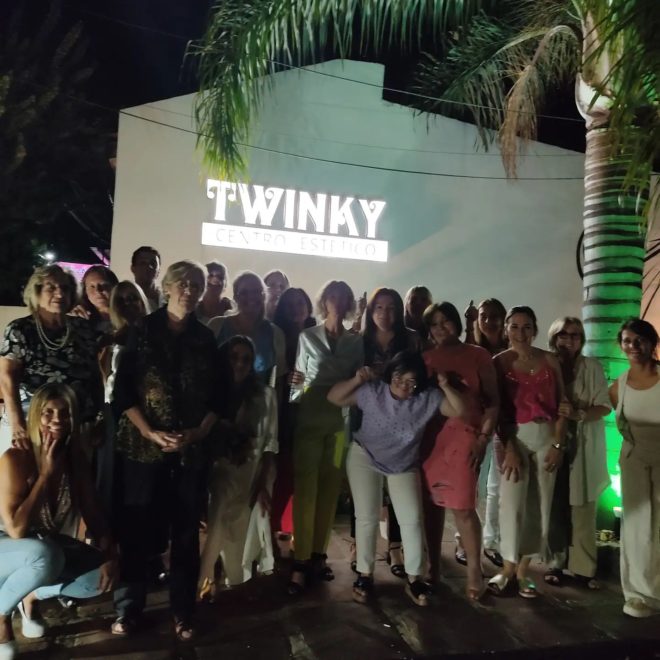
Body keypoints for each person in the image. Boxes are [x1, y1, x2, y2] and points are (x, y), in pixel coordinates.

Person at [111, 260, 221, 641]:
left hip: (190, 452)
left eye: (196, 285)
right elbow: (123, 391)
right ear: (169, 287)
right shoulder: (141, 330)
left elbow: (219, 395)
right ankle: (129, 608)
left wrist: (198, 432)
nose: (190, 291)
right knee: (137, 530)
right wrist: (150, 431)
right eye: (183, 284)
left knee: (186, 534)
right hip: (143, 449)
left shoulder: (205, 338)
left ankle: (183, 612)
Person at [328, 351, 466, 607]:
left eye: (411, 382)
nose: (403, 386)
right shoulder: (374, 392)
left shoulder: (427, 399)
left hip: (403, 463)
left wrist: (445, 385)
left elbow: (459, 409)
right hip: (365, 456)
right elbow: (334, 397)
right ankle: (365, 575)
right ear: (390, 375)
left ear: (419, 383)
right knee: (366, 517)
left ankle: (415, 578)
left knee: (411, 519)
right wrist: (357, 379)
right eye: (399, 379)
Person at [0, 383, 118, 660]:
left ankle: (29, 595)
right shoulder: (15, 458)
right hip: (7, 549)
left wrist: (110, 554)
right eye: (48, 412)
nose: (57, 420)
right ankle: (2, 615)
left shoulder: (75, 459)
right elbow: (16, 529)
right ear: (35, 416)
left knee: (97, 579)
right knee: (45, 555)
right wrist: (45, 475)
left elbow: (93, 513)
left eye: (65, 413)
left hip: (42, 548)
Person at [288, 280, 363, 594]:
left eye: (344, 296)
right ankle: (300, 559)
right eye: (333, 296)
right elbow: (298, 380)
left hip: (339, 418)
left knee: (330, 487)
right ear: (324, 301)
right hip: (310, 413)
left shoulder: (356, 342)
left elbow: (360, 383)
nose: (338, 301)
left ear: (349, 303)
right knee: (306, 488)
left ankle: (319, 555)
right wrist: (294, 397)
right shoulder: (307, 336)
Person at [421, 302, 499, 600]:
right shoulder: (426, 358)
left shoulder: (478, 355)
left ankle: (475, 571)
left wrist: (483, 438)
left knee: (463, 506)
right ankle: (432, 567)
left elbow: (492, 402)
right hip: (431, 438)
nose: (441, 328)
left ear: (456, 322)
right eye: (434, 324)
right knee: (431, 505)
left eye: (446, 321)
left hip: (466, 436)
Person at [487, 306, 567, 599]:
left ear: (535, 329)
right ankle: (506, 568)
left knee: (540, 505)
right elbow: (495, 409)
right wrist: (508, 445)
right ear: (506, 329)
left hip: (547, 435)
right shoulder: (499, 363)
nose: (521, 333)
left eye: (527, 326)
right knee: (511, 504)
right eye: (515, 326)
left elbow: (563, 405)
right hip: (515, 436)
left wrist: (558, 444)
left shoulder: (550, 360)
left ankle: (523, 571)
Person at [199, 336, 278, 596]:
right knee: (218, 518)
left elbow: (270, 443)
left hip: (250, 472)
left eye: (246, 359)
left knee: (237, 532)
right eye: (234, 357)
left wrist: (264, 484)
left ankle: (231, 579)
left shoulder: (265, 395)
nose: (240, 364)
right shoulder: (212, 393)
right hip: (219, 470)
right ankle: (203, 580)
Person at [0, 265, 101, 456]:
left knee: (75, 473)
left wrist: (98, 417)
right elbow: (7, 378)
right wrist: (17, 424)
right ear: (37, 292)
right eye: (51, 287)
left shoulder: (84, 329)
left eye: (65, 288)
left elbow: (95, 376)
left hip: (77, 423)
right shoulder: (21, 329)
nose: (60, 293)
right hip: (34, 424)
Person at [356, 288, 421, 576]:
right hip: (365, 420)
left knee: (400, 493)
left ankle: (395, 547)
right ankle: (360, 550)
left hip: (401, 423)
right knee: (365, 496)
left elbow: (420, 377)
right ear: (370, 311)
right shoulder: (359, 341)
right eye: (379, 307)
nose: (385, 313)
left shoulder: (412, 340)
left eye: (391, 307)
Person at [545, 317, 610, 589]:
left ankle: (584, 567)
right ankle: (555, 563)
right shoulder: (546, 366)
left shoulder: (591, 367)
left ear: (581, 340)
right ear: (553, 337)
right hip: (552, 442)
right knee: (554, 504)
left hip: (584, 443)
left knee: (583, 508)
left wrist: (578, 414)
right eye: (563, 334)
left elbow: (604, 406)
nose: (569, 340)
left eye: (575, 335)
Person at [610, 318, 660, 618]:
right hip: (635, 461)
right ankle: (638, 594)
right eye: (627, 341)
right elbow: (623, 425)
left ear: (652, 343)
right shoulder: (619, 387)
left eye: (639, 340)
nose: (633, 346)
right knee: (637, 527)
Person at [459, 298, 509, 568]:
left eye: (495, 316)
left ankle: (491, 542)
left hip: (504, 424)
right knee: (471, 484)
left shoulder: (510, 350)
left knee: (496, 487)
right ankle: (463, 541)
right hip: (477, 424)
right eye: (484, 316)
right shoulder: (473, 349)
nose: (489, 321)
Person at [95, 282, 150, 519]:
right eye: (121, 300)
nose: (128, 304)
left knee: (140, 481)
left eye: (133, 298)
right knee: (110, 476)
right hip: (112, 414)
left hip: (145, 413)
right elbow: (101, 383)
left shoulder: (154, 338)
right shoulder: (106, 341)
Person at [271, 288, 316, 537]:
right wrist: (286, 378)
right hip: (284, 412)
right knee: (284, 471)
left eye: (300, 303)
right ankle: (278, 530)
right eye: (290, 304)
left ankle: (299, 533)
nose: (295, 308)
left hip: (314, 410)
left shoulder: (318, 335)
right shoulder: (277, 337)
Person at [209, 271, 286, 386]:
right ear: (235, 297)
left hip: (257, 397)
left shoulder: (276, 334)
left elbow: (278, 380)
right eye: (244, 292)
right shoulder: (216, 325)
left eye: (256, 291)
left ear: (264, 296)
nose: (251, 297)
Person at [70, 265, 120, 333]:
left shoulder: (126, 315)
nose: (98, 291)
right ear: (85, 291)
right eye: (92, 286)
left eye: (104, 285)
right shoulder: (80, 316)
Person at [130, 246, 164, 313]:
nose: (149, 267)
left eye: (153, 263)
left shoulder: (167, 301)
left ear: (159, 270)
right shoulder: (126, 301)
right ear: (133, 268)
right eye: (143, 263)